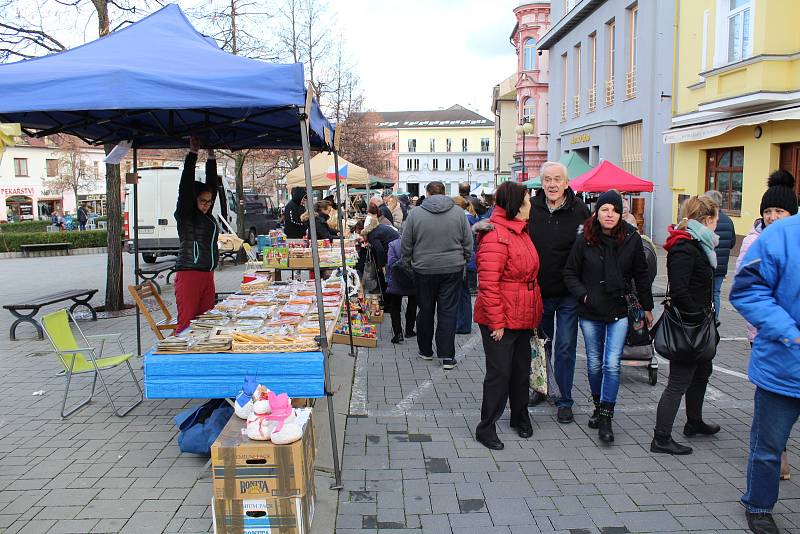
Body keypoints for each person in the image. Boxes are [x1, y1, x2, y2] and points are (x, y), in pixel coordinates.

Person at [563, 190, 653, 443]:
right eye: (604, 209)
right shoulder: (585, 238)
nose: (609, 214)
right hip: (590, 311)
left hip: (618, 309)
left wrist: (647, 307)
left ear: (620, 213)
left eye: (614, 210)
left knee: (611, 363)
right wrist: (584, 296)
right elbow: (570, 273)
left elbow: (641, 274)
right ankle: (596, 404)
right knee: (594, 363)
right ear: (597, 212)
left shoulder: (631, 238)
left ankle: (606, 416)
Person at [730, 212, 800, 534]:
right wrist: (790, 331)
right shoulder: (780, 236)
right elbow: (746, 291)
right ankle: (758, 505)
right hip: (783, 367)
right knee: (769, 448)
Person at [734, 170, 797, 484]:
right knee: (772, 404)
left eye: (779, 211)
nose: (773, 217)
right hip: (763, 336)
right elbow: (746, 290)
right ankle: (778, 452)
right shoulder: (754, 242)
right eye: (768, 211)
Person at [473, 182, 543, 450]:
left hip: (523, 314)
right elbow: (488, 285)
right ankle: (486, 427)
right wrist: (497, 322)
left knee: (521, 371)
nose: (530, 207)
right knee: (499, 373)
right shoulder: (495, 235)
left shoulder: (520, 231)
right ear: (514, 205)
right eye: (526, 202)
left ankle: (519, 417)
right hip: (500, 316)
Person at [650, 196, 720, 456]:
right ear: (707, 219)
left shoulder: (699, 244)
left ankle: (694, 421)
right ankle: (661, 438)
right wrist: (695, 317)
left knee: (702, 372)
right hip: (689, 327)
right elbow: (679, 290)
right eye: (716, 220)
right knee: (678, 382)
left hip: (700, 322)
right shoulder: (684, 247)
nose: (717, 225)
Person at [529, 161, 590, 423]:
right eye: (547, 180)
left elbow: (590, 247)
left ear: (567, 183)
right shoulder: (531, 208)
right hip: (539, 290)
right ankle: (541, 388)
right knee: (541, 345)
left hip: (568, 293)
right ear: (541, 182)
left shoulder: (580, 210)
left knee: (565, 347)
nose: (552, 184)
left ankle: (564, 398)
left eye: (557, 180)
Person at [401, 181, 473, 370]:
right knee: (448, 312)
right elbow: (468, 240)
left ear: (427, 193)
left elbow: (406, 242)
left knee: (425, 310)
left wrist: (408, 263)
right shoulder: (458, 213)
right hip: (452, 268)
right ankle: (447, 356)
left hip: (423, 269)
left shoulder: (415, 214)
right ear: (444, 192)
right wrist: (464, 259)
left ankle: (425, 350)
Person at [174, 137, 221, 333]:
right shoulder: (186, 214)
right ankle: (179, 360)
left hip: (207, 274)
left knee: (205, 323)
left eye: (209, 202)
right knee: (187, 323)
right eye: (202, 201)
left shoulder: (207, 216)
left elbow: (212, 186)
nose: (206, 204)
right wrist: (193, 154)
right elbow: (185, 187)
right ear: (194, 200)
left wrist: (211, 156)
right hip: (189, 273)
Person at [703, 190, 735, 320]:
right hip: (721, 266)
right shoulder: (728, 220)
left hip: (707, 264)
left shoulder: (707, 220)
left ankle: (706, 319)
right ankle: (715, 319)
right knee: (716, 292)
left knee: (705, 293)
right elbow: (732, 242)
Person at [386, 235, 418, 344]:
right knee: (412, 305)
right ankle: (409, 330)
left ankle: (398, 333)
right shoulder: (417, 243)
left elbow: (391, 262)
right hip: (413, 279)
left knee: (395, 307)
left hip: (397, 279)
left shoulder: (393, 244)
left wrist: (401, 266)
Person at [452, 196, 474, 335]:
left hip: (462, 262)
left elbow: (465, 242)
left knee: (460, 295)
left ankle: (462, 324)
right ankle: (465, 324)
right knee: (465, 295)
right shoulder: (471, 217)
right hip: (469, 260)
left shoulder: (461, 219)